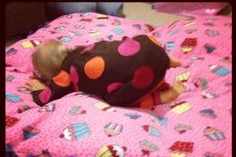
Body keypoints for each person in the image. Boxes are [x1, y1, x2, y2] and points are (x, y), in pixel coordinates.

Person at [26, 36, 186, 109]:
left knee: (116, 100)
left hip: (146, 76)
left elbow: (48, 97)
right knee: (120, 49)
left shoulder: (65, 73)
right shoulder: (83, 50)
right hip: (150, 46)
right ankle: (166, 59)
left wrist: (38, 89)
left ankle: (162, 96)